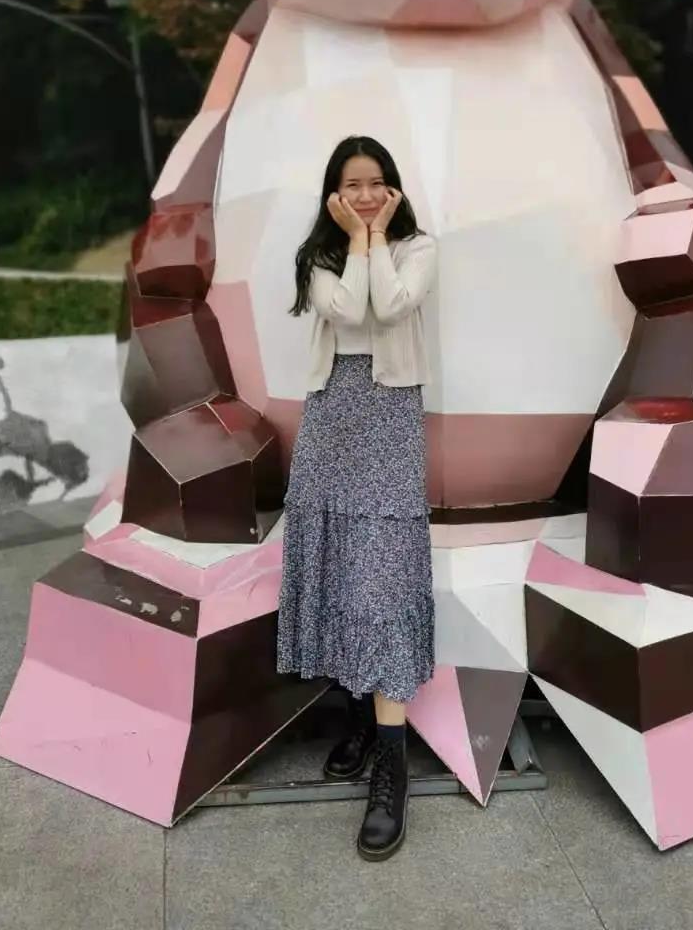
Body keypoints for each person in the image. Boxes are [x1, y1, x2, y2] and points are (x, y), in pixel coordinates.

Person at [277, 134, 437, 861]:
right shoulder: (318, 256)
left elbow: (390, 306)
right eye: (352, 185)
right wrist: (356, 243)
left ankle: (392, 774)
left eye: (376, 183)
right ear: (334, 194)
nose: (366, 194)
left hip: (389, 417)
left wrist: (373, 240)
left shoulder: (419, 248)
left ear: (393, 188)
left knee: (380, 579)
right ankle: (365, 721)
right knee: (342, 568)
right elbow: (346, 313)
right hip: (333, 418)